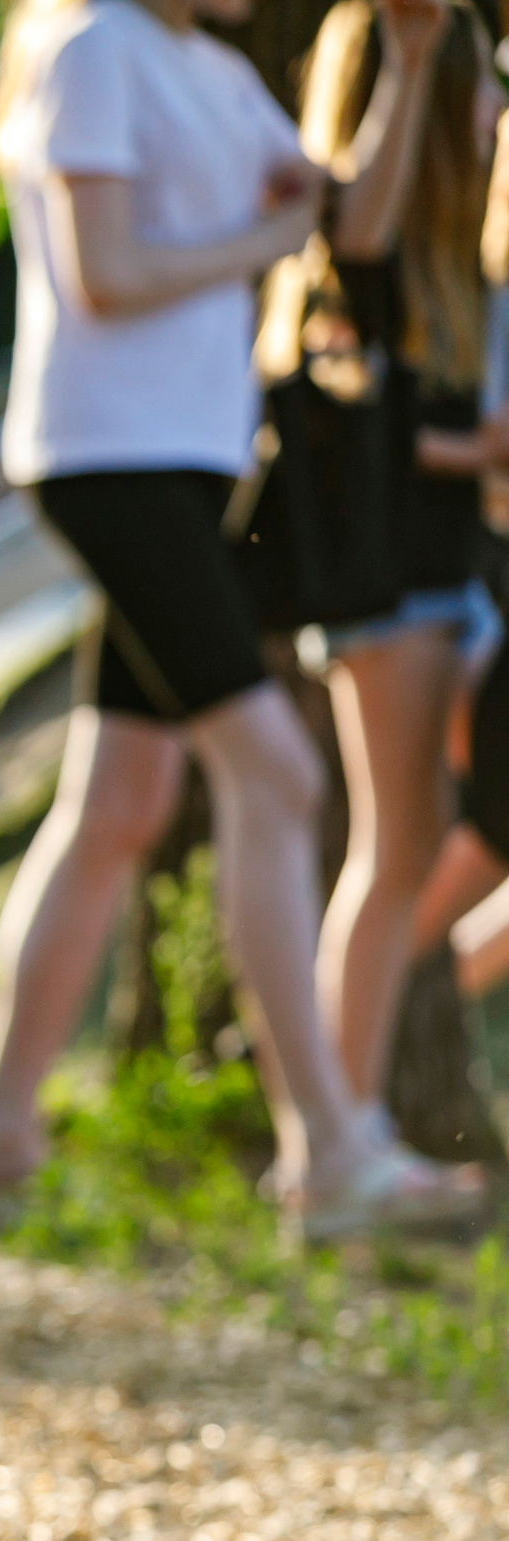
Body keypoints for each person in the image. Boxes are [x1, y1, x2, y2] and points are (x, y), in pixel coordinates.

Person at [0, 0, 486, 1240]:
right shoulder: (94, 50)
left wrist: (405, 69)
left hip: (191, 469)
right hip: (106, 461)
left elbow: (354, 223)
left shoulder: (213, 73)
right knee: (277, 776)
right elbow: (108, 275)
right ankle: (328, 1150)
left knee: (119, 801)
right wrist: (263, 236)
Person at [277, 2, 506, 1141]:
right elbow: (351, 409)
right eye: (482, 84)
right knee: (393, 851)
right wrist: (413, 66)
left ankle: (339, 1104)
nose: (495, 105)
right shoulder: (364, 253)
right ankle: (332, 1129)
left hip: (458, 577)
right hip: (391, 586)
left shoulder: (469, 256)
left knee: (423, 847)